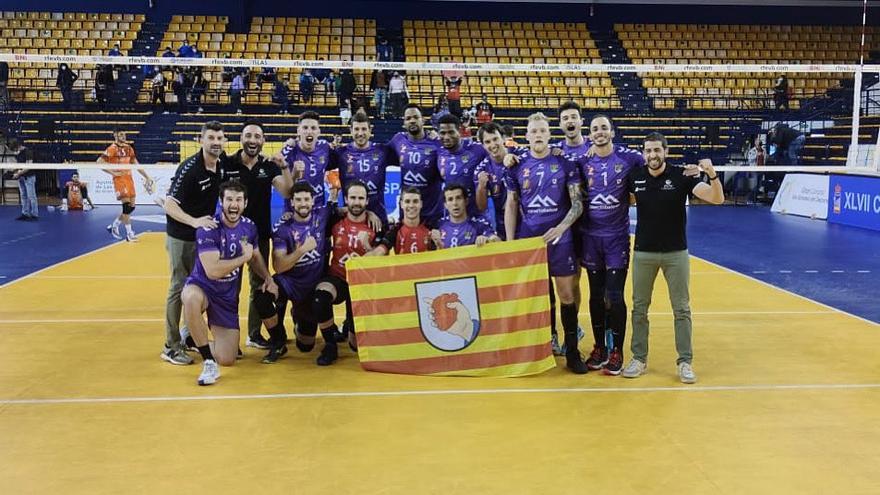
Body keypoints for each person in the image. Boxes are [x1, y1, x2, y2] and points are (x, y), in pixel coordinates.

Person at [622, 132, 725, 384]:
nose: (653, 155)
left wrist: (711, 175)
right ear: (643, 153)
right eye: (648, 151)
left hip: (676, 253)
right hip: (643, 252)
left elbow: (717, 198)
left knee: (681, 309)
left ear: (665, 151)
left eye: (657, 150)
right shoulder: (635, 177)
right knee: (639, 308)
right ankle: (638, 358)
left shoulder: (682, 176)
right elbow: (622, 201)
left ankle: (685, 362)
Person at [504, 113, 586, 374]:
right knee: (538, 295)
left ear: (549, 134)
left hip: (561, 239)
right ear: (526, 136)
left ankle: (572, 351)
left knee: (566, 294)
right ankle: (545, 341)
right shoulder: (517, 165)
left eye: (542, 131)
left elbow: (577, 203)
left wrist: (561, 228)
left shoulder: (565, 163)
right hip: (530, 242)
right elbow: (511, 204)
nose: (538, 135)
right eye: (533, 131)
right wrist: (510, 244)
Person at [181, 180, 277, 386]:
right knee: (190, 298)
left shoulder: (249, 227)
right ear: (221, 202)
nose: (234, 204)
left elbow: (256, 256)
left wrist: (268, 278)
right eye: (229, 200)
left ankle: (191, 338)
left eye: (238, 200)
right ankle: (207, 361)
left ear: (245, 203)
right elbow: (213, 271)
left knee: (228, 358)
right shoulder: (209, 228)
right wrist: (243, 258)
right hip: (204, 287)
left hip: (226, 297)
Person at [576, 115, 646, 375]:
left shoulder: (629, 159)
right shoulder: (582, 162)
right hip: (591, 239)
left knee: (614, 296)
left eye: (604, 128)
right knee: (595, 296)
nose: (600, 132)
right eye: (595, 129)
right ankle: (599, 348)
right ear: (589, 134)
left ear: (612, 132)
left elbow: (652, 163)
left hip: (616, 239)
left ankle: (616, 349)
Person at [160, 121, 229, 366]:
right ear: (201, 140)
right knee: (179, 287)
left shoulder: (221, 165)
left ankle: (190, 333)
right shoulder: (190, 169)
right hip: (182, 236)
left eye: (220, 138)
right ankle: (171, 345)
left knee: (202, 286)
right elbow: (169, 204)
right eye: (211, 138)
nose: (216, 142)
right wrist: (194, 221)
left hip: (203, 238)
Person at [220, 121, 293, 350]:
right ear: (241, 139)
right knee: (229, 287)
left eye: (257, 136)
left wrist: (284, 167)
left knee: (259, 285)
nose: (253, 140)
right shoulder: (227, 163)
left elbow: (287, 191)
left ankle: (253, 334)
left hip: (259, 235)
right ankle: (230, 338)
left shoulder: (269, 166)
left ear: (263, 141)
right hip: (229, 235)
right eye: (248, 135)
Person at [253, 182, 338, 363]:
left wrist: (369, 213)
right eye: (298, 200)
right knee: (262, 296)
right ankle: (278, 341)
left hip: (314, 284)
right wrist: (301, 250)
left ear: (313, 201)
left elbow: (346, 211)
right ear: (291, 203)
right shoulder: (283, 229)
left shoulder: (322, 215)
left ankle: (299, 318)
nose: (303, 204)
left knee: (305, 346)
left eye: (306, 199)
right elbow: (279, 266)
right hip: (290, 282)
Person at [312, 180, 383, 365]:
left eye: (361, 198)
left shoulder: (375, 225)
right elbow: (314, 216)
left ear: (367, 201)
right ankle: (330, 345)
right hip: (337, 278)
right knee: (320, 296)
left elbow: (380, 263)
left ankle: (349, 330)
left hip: (360, 284)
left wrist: (367, 245)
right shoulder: (335, 221)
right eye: (353, 197)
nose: (356, 202)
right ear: (347, 200)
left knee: (355, 346)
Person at [335, 111, 397, 228]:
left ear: (370, 130)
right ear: (351, 131)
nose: (360, 133)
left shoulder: (382, 151)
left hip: (378, 218)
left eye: (364, 129)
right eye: (357, 129)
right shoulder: (340, 153)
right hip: (350, 217)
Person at [388, 104, 443, 224]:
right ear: (404, 123)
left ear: (423, 120)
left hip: (432, 215)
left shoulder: (436, 143)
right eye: (408, 118)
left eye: (415, 117)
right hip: (407, 215)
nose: (412, 121)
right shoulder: (398, 140)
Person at [98, 128, 154, 242]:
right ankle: (129, 234)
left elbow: (136, 164)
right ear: (115, 135)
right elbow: (99, 162)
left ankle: (114, 225)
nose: (123, 137)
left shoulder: (129, 148)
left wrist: (147, 176)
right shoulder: (112, 148)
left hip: (129, 178)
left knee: (132, 207)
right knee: (127, 206)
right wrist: (113, 172)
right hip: (119, 179)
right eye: (121, 135)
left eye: (124, 134)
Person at [281, 111, 340, 208]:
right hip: (295, 210)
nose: (309, 131)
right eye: (305, 128)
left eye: (313, 128)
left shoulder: (324, 147)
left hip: (318, 209)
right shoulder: (289, 151)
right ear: (298, 131)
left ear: (319, 132)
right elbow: (283, 186)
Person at [436, 114, 488, 219]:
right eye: (442, 133)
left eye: (451, 132)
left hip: (476, 217)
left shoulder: (477, 150)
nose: (446, 137)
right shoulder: (438, 151)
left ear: (459, 131)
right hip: (452, 219)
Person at [370, 186, 435, 255]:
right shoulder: (395, 230)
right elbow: (378, 252)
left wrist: (438, 243)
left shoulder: (430, 229)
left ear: (421, 204)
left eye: (415, 201)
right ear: (401, 204)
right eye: (407, 201)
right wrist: (358, 262)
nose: (411, 205)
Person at [432, 184, 500, 249]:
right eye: (450, 199)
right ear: (445, 205)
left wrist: (487, 240)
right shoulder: (439, 225)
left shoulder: (478, 224)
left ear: (466, 201)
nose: (455, 203)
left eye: (458, 198)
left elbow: (497, 240)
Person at [474, 122, 511, 239]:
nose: (493, 144)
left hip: (527, 221)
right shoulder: (482, 169)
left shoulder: (520, 155)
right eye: (487, 142)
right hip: (503, 225)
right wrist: (481, 186)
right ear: (483, 145)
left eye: (495, 139)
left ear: (503, 138)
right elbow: (482, 207)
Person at [9, 138, 37, 221]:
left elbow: (29, 166)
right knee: (23, 196)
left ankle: (34, 214)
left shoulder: (28, 152)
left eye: (15, 149)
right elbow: (19, 164)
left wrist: (18, 173)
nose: (15, 151)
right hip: (21, 177)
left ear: (18, 146)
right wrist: (13, 171)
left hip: (29, 177)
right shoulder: (17, 153)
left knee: (31, 196)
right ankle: (25, 213)